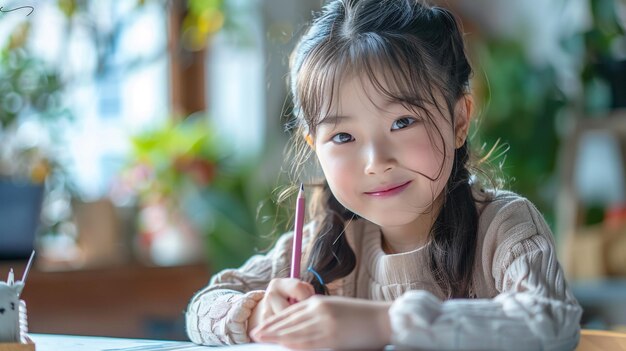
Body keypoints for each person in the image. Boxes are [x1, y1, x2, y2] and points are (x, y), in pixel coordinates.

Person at [185, 0, 582, 349]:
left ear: (459, 119)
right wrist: (257, 315)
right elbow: (202, 307)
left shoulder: (503, 227)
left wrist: (384, 323)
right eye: (343, 136)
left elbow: (550, 320)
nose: (375, 161)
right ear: (313, 146)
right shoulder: (325, 241)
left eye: (403, 121)